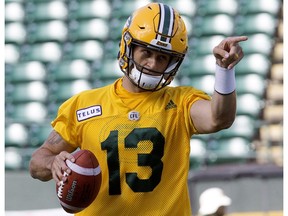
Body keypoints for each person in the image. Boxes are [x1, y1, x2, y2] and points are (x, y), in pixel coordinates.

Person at [29, 2, 247, 215]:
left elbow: (219, 118)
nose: (152, 64)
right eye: (146, 52)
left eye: (162, 58)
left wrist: (224, 72)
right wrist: (53, 163)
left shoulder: (181, 102)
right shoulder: (83, 105)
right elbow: (37, 162)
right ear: (128, 46)